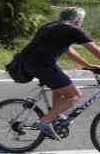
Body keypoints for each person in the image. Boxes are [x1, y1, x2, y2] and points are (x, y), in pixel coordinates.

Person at [15, 7, 100, 139]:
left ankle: (54, 116)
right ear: (77, 20)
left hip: (28, 63)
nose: (82, 22)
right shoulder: (72, 29)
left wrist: (88, 66)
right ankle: (44, 122)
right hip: (43, 65)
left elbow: (70, 52)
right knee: (75, 95)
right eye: (82, 20)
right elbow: (95, 50)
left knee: (60, 86)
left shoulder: (51, 26)